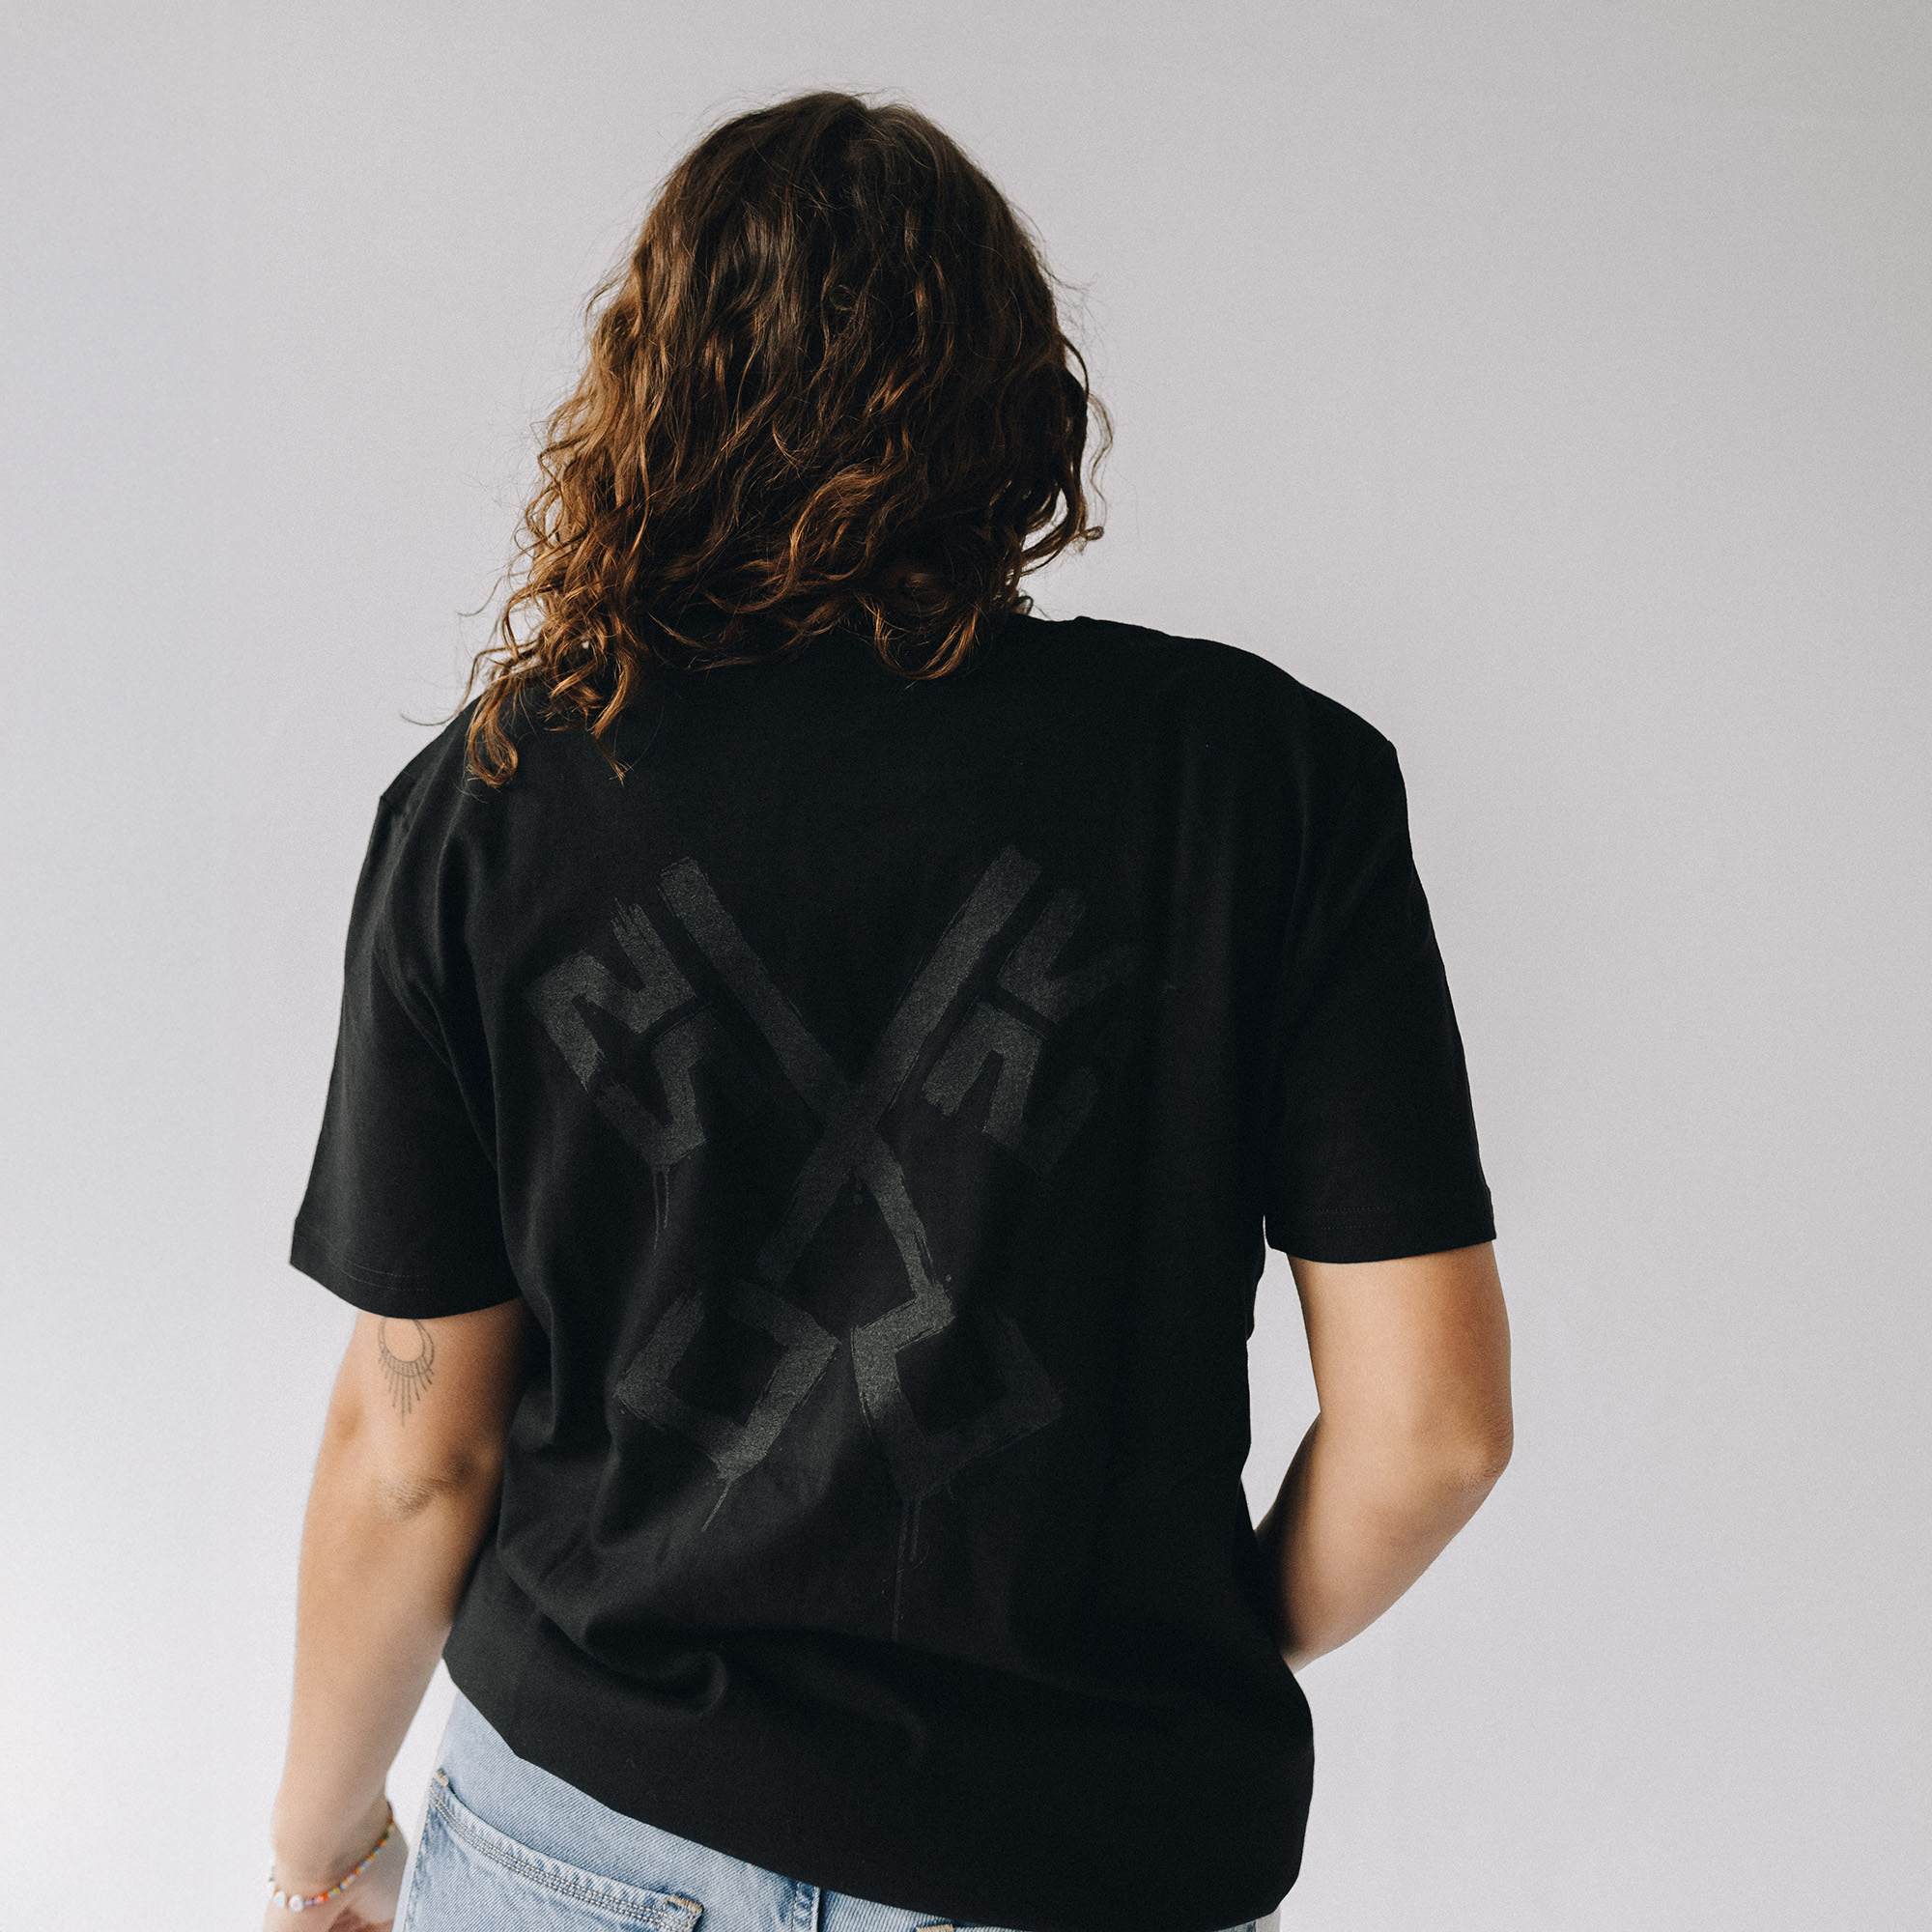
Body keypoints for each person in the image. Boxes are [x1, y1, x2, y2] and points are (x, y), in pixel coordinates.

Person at [264, 89, 1513, 1932]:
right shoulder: (1266, 786)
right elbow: (1434, 1433)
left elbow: (411, 1452)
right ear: (1023, 406)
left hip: (588, 1840)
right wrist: (1158, 1676)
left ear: (650, 398)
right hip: (1087, 1864)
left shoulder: (500, 803)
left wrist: (320, 1842)